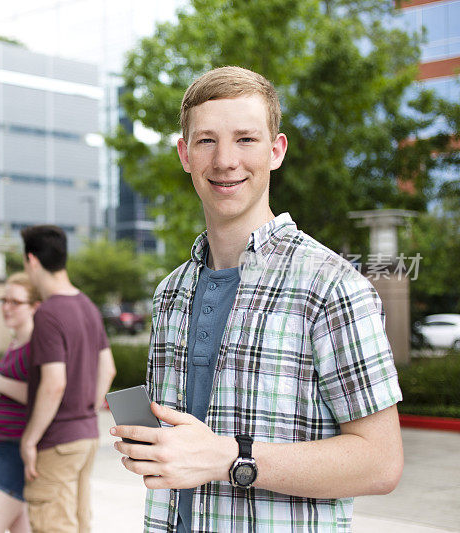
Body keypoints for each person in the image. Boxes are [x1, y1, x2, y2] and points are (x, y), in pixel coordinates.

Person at [110, 66, 404, 532]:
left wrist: (231, 458)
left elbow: (381, 462)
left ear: (276, 150)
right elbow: (185, 452)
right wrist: (157, 450)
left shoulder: (331, 285)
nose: (225, 160)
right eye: (206, 141)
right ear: (185, 155)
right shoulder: (170, 293)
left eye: (245, 139)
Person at [19, 225, 117, 533]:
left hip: (57, 440)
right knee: (77, 522)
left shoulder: (48, 312)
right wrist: (85, 408)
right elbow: (108, 368)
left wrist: (30, 439)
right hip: (86, 435)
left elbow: (54, 383)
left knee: (53, 523)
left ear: (32, 261)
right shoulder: (86, 305)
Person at [0, 272, 41, 533]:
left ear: (35, 306)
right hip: (1, 443)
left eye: (16, 302)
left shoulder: (36, 344)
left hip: (17, 447)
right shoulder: (16, 342)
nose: (6, 307)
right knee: (19, 526)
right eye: (4, 300)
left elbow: (42, 393)